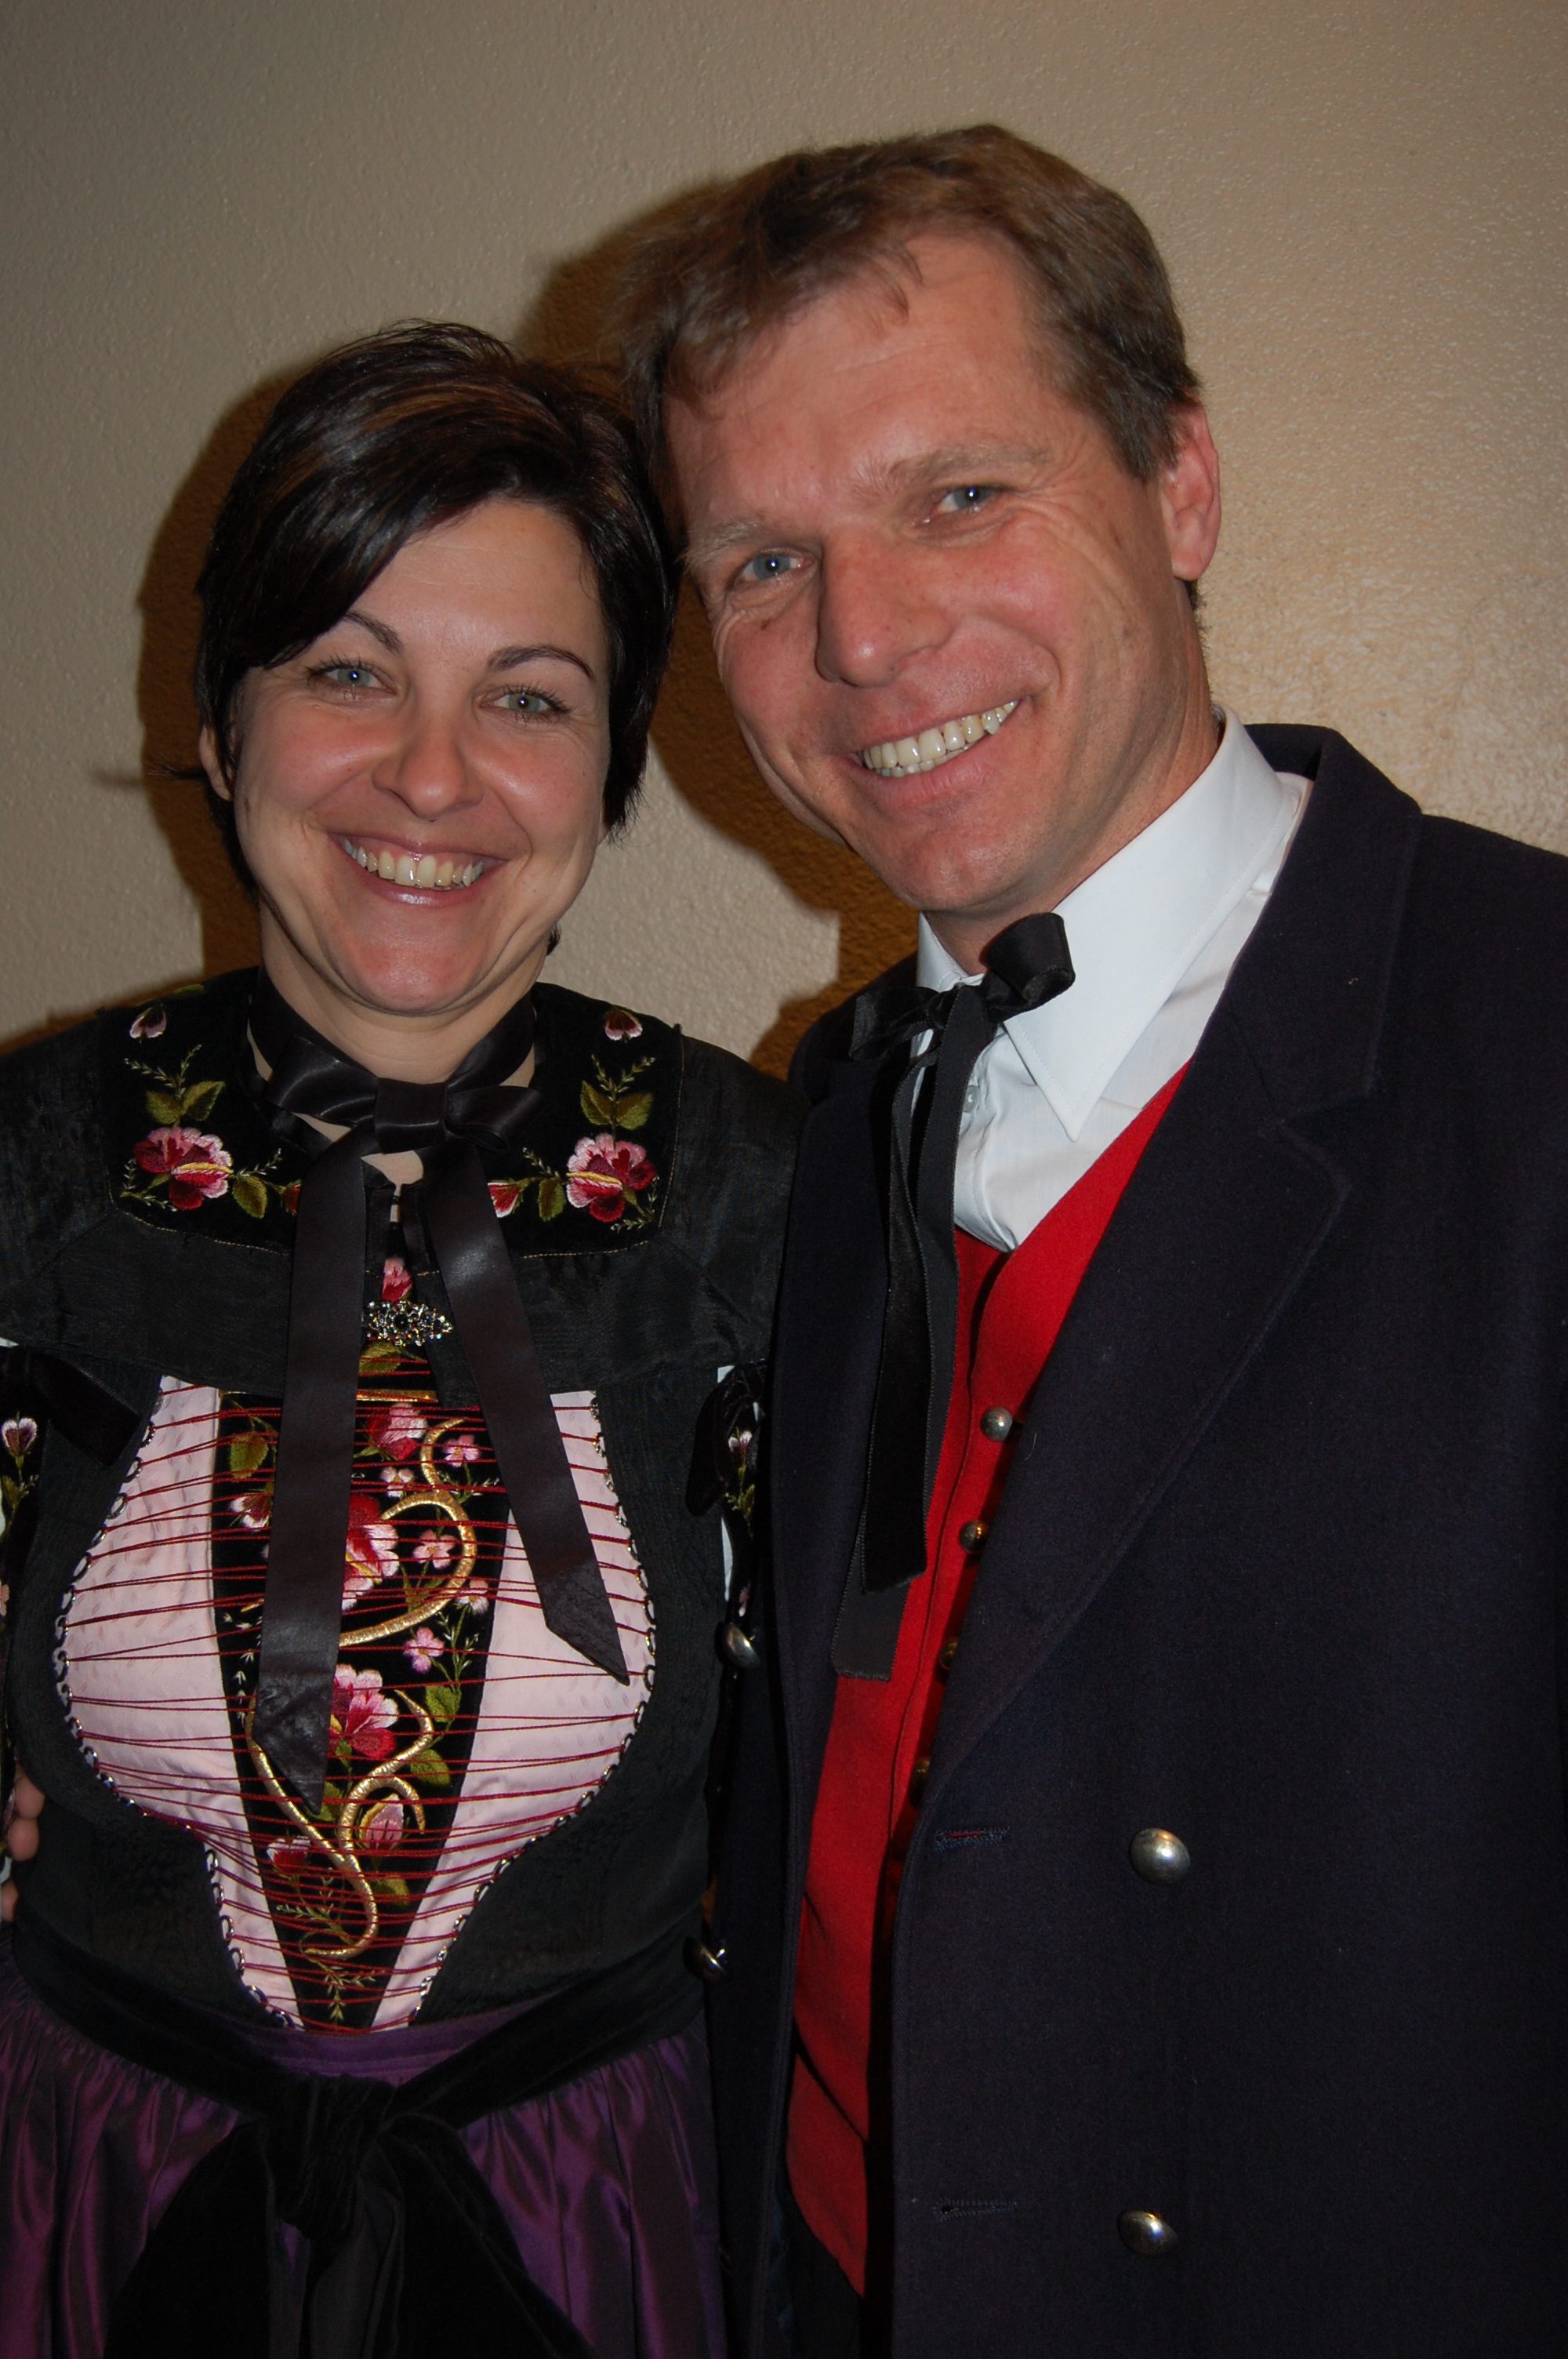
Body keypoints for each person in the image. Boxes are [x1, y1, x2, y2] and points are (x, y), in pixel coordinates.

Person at [610, 126, 1568, 2355]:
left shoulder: (1533, 1037)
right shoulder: (822, 1117)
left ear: (1181, 484)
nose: (862, 639)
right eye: (764, 559)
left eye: (962, 495)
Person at [0, 322, 799, 2359]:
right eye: (348, 672)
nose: (433, 778)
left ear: (608, 765)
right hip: (95, 2197)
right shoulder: (33, 1161)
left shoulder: (759, 1184)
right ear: (221, 724)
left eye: (526, 698)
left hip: (586, 2207)